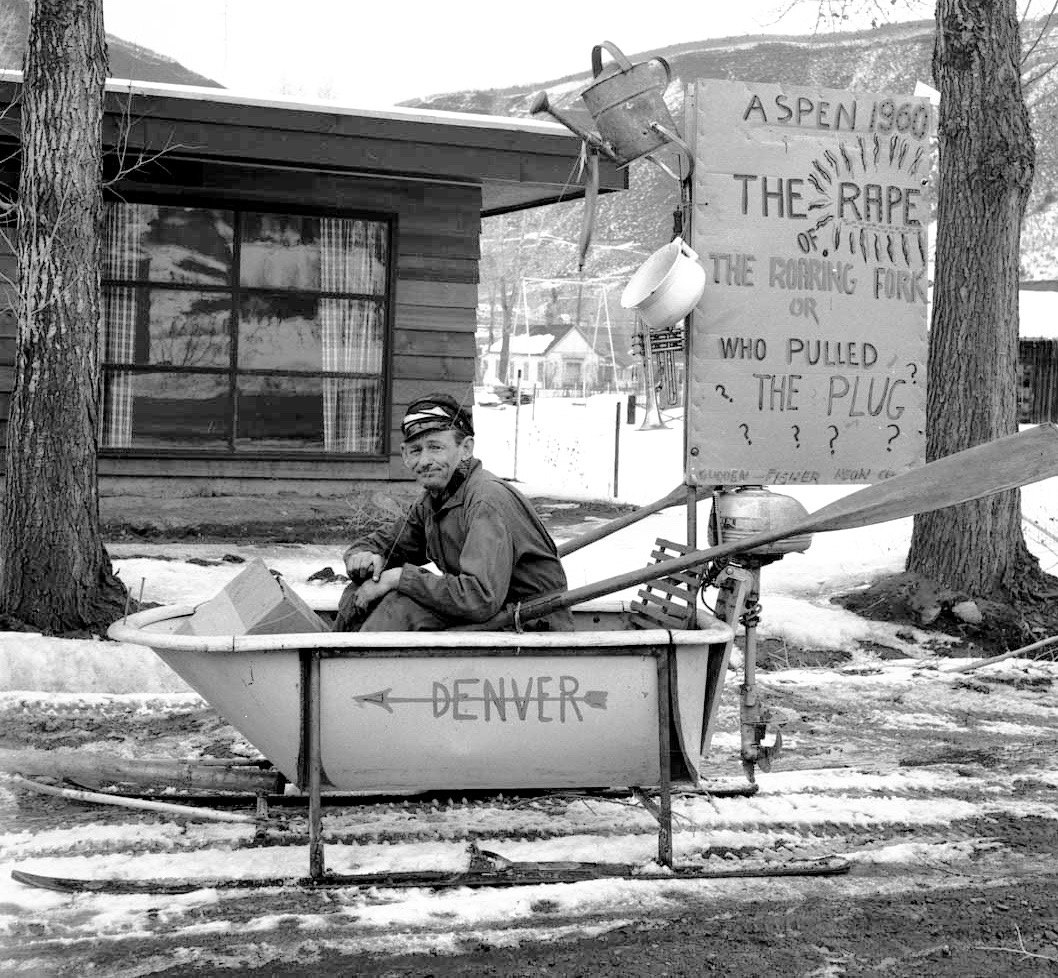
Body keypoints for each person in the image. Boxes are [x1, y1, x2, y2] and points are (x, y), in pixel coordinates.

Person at [334, 393, 574, 632]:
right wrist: (365, 558)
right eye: (415, 451)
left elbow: (479, 598)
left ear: (466, 448)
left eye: (436, 448)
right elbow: (386, 544)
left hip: (530, 626)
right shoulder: (433, 501)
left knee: (401, 608)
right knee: (360, 590)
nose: (424, 461)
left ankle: (354, 656)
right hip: (488, 616)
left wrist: (398, 578)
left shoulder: (486, 500)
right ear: (404, 454)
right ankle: (335, 650)